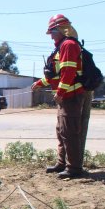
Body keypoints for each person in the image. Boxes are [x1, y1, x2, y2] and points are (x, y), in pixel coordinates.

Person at [31, 14, 86, 179]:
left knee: (69, 132)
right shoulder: (61, 46)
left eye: (52, 31)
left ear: (61, 29)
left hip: (71, 96)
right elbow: (56, 74)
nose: (51, 36)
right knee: (61, 131)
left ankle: (74, 168)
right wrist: (40, 83)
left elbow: (68, 73)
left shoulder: (68, 45)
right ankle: (62, 164)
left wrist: (60, 93)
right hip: (66, 97)